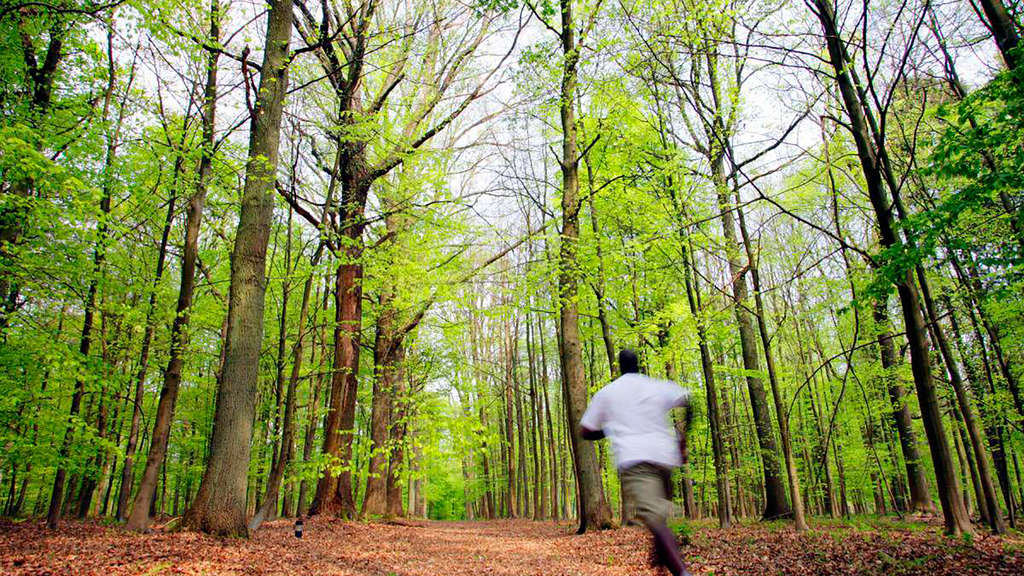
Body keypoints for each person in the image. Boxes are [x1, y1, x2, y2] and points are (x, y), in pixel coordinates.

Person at [580, 348, 693, 576]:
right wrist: (682, 440)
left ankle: (683, 573)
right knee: (658, 520)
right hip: (665, 460)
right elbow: (688, 401)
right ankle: (661, 567)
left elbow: (585, 431)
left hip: (635, 461)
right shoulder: (655, 385)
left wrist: (609, 429)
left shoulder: (607, 393)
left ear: (619, 367)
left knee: (656, 522)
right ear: (639, 365)